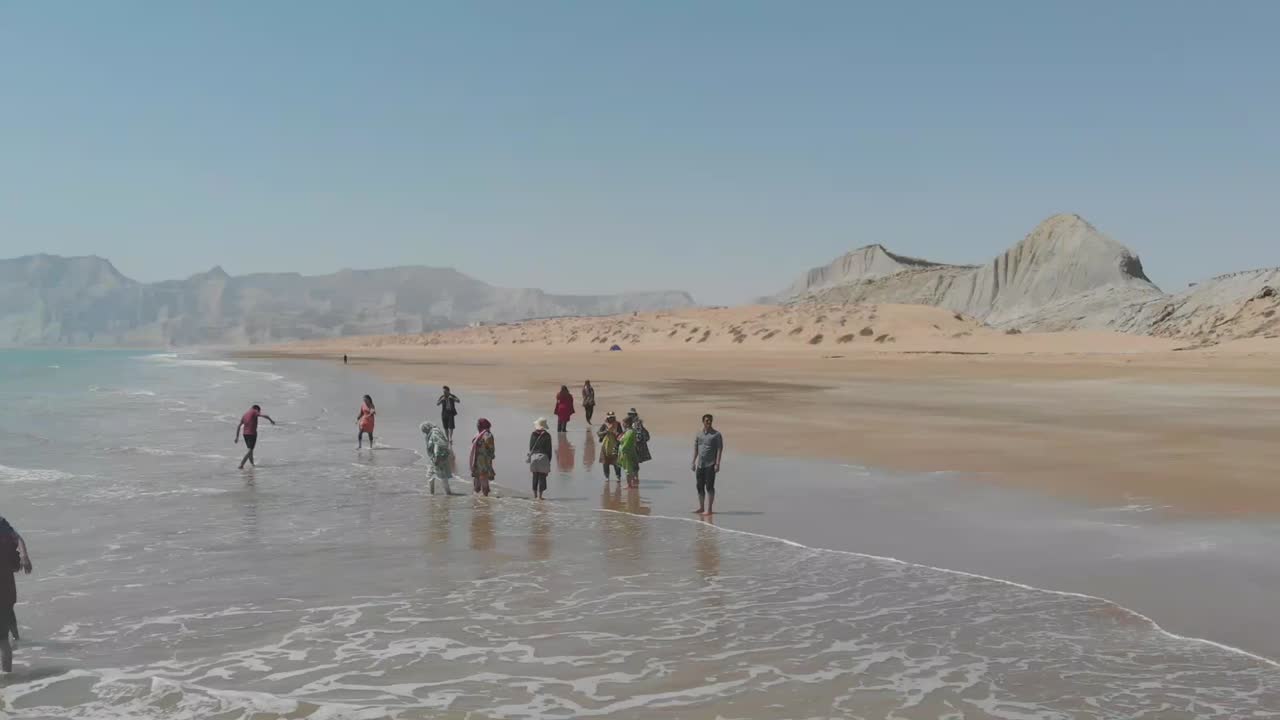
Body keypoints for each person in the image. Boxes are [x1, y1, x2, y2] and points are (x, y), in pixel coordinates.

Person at [0, 515, 33, 673]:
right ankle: (7, 680)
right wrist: (24, 557)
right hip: (7, 590)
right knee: (4, 640)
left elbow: (18, 538)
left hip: (5, 590)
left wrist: (25, 557)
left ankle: (7, 681)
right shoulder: (3, 525)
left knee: (3, 640)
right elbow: (18, 539)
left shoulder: (2, 524)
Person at [692, 414, 724, 516]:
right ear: (703, 421)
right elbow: (696, 448)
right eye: (706, 420)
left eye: (710, 420)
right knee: (699, 487)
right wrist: (693, 462)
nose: (708, 422)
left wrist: (717, 464)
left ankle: (709, 509)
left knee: (709, 487)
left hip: (711, 464)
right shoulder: (699, 434)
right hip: (700, 464)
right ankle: (701, 508)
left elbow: (719, 449)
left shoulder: (716, 435)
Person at [236, 404, 277, 469]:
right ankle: (241, 464)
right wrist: (271, 420)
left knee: (250, 450)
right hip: (252, 434)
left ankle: (252, 465)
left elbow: (239, 426)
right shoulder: (254, 411)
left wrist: (237, 437)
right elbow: (264, 416)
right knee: (250, 450)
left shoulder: (245, 414)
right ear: (257, 409)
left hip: (245, 434)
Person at [420, 420, 453, 495]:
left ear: (426, 428)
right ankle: (432, 493)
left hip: (439, 458)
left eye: (424, 431)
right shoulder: (432, 433)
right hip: (434, 458)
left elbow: (438, 444)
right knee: (430, 475)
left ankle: (448, 493)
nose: (424, 433)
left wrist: (437, 456)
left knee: (443, 477)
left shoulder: (434, 433)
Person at [527, 417, 554, 500]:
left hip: (534, 457)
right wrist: (548, 461)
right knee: (542, 477)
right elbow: (549, 450)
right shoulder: (547, 435)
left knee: (535, 476)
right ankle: (540, 496)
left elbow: (531, 447)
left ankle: (535, 495)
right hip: (543, 457)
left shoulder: (533, 434)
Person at [469, 417, 496, 496]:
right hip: (476, 460)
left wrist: (489, 457)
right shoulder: (478, 434)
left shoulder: (487, 435)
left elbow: (491, 448)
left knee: (483, 478)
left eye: (478, 424)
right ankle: (479, 502)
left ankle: (486, 498)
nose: (477, 425)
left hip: (484, 460)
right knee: (476, 480)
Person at [597, 412, 622, 481]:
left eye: (612, 417)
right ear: (607, 418)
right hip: (605, 446)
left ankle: (618, 476)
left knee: (616, 463)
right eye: (610, 417)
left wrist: (615, 433)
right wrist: (606, 431)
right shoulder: (604, 425)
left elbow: (621, 434)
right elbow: (598, 433)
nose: (611, 418)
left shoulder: (618, 424)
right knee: (605, 463)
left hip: (615, 445)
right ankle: (607, 477)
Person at [618, 416, 640, 489]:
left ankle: (629, 485)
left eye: (623, 423)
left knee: (628, 469)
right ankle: (632, 482)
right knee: (631, 468)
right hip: (630, 451)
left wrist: (622, 453)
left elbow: (626, 444)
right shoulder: (630, 431)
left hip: (627, 452)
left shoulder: (629, 432)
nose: (622, 424)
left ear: (627, 423)